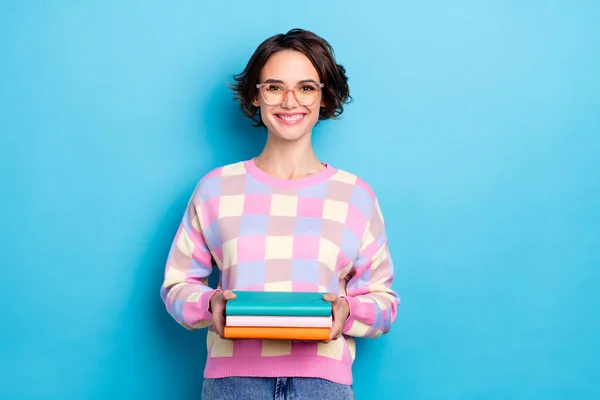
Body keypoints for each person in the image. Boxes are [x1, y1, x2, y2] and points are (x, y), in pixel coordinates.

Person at [160, 28, 400, 400]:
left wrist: (347, 312)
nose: (290, 101)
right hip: (232, 385)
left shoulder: (356, 195)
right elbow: (177, 285)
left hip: (323, 387)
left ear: (325, 96)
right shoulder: (215, 188)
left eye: (306, 87)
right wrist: (211, 305)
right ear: (255, 96)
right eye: (274, 87)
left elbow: (383, 301)